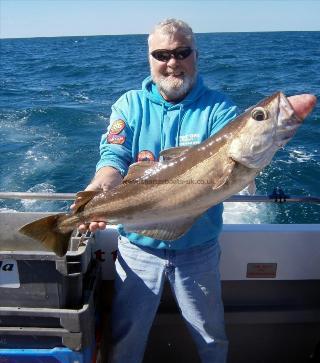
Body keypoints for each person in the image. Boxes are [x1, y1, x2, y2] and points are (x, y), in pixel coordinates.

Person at [77, 19, 238, 363]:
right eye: (162, 54)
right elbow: (113, 157)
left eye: (182, 52)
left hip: (198, 247)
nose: (172, 62)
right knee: (126, 339)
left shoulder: (219, 109)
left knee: (212, 338)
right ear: (149, 58)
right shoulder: (129, 105)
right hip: (138, 248)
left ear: (197, 55)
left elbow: (230, 164)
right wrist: (98, 190)